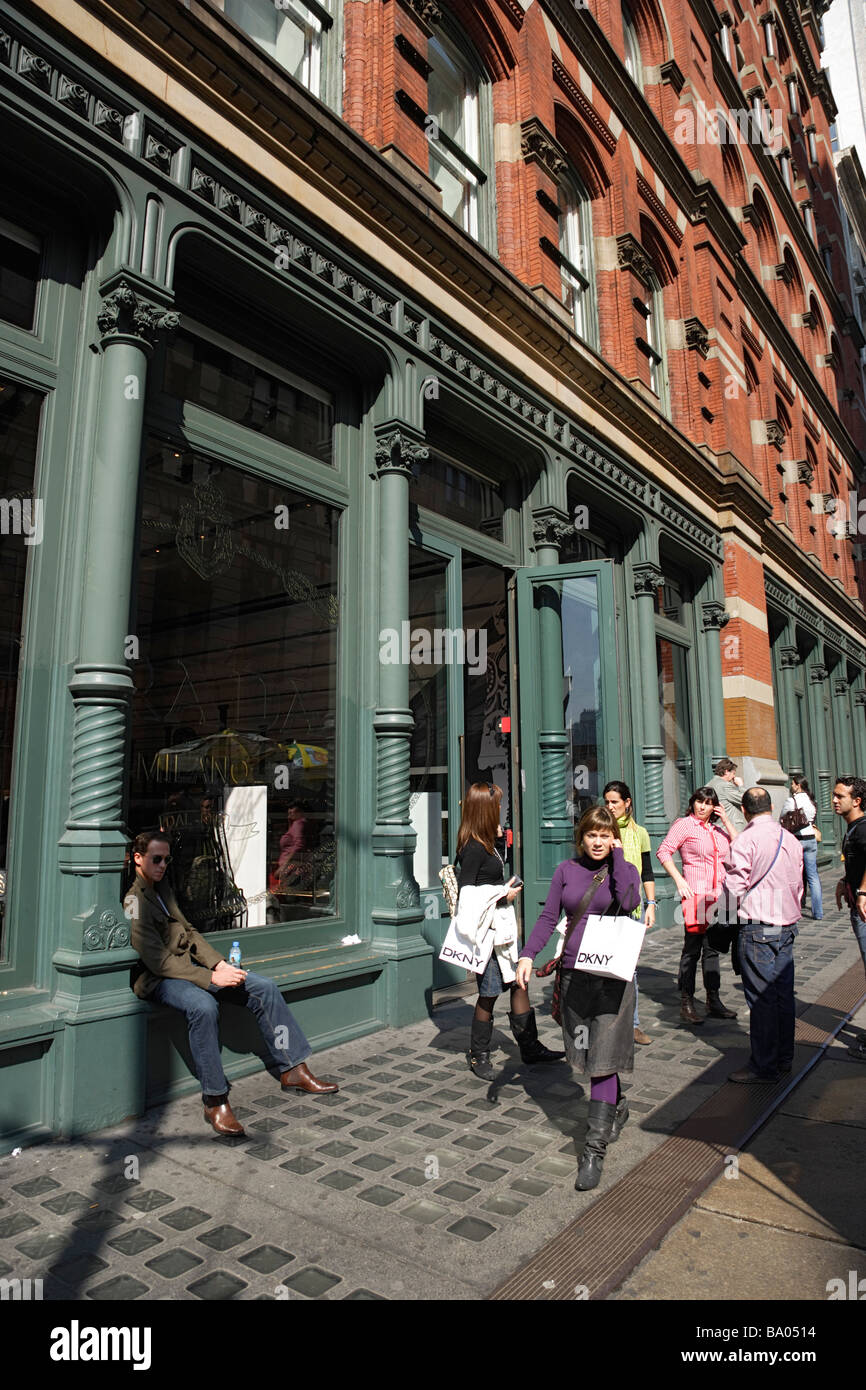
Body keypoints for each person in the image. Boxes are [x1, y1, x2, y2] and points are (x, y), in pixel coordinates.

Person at [125, 829, 338, 1137]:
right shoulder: (134, 899)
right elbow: (155, 958)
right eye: (156, 859)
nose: (162, 865)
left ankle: (293, 1068)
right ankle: (215, 1099)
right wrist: (211, 976)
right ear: (138, 858)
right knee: (203, 1006)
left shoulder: (163, 888)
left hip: (190, 968)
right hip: (158, 977)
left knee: (262, 986)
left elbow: (190, 931)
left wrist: (219, 963)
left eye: (167, 859)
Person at [515, 806, 641, 1192]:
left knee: (601, 1060)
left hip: (612, 978)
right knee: (586, 1055)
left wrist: (619, 856)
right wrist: (527, 954)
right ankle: (616, 1106)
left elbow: (631, 898)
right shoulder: (566, 871)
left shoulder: (623, 869)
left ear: (613, 837)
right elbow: (549, 917)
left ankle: (594, 1148)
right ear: (581, 837)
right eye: (592, 835)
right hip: (573, 976)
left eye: (605, 835)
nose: (599, 842)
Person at [459, 783, 563, 1079]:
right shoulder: (474, 848)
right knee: (490, 993)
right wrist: (502, 895)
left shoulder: (488, 842)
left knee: (519, 983)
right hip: (490, 934)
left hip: (503, 929)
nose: (501, 809)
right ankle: (479, 1054)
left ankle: (530, 1047)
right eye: (497, 805)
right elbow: (468, 894)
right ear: (484, 809)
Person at [721, 787, 803, 1082]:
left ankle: (763, 1065)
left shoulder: (746, 840)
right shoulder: (790, 839)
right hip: (786, 925)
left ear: (744, 811)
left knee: (762, 999)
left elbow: (733, 889)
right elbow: (799, 883)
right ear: (770, 806)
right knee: (782, 995)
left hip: (758, 927)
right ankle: (784, 1057)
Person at [657, 787, 739, 1025]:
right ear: (693, 803)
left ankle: (713, 1000)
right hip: (696, 894)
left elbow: (740, 846)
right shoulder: (684, 824)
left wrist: (724, 818)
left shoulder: (717, 829)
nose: (702, 807)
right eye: (699, 802)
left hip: (719, 896)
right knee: (692, 948)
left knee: (712, 949)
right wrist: (679, 879)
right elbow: (664, 851)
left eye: (708, 803)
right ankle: (687, 1001)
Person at [602, 781, 657, 1046]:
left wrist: (651, 903)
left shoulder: (640, 833)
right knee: (603, 967)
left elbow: (647, 872)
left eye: (615, 801)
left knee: (629, 969)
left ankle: (632, 1024)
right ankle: (607, 1021)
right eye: (607, 802)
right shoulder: (602, 832)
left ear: (628, 802)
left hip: (633, 908)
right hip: (605, 909)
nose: (610, 806)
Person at [832, 775, 866, 1060]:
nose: (834, 800)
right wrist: (845, 881)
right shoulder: (854, 828)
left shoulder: (863, 828)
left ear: (856, 801)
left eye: (839, 796)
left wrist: (864, 891)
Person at [780, 775, 822, 920]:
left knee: (796, 875)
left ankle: (796, 908)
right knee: (813, 876)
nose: (791, 786)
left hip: (797, 840)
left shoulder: (791, 801)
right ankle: (818, 912)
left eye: (792, 784)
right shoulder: (811, 801)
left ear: (798, 785)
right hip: (811, 839)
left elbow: (782, 817)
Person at [709, 758, 747, 834]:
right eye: (733, 773)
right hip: (730, 829)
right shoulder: (726, 786)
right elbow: (746, 799)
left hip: (716, 828)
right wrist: (741, 786)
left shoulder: (709, 785)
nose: (734, 777)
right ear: (726, 772)